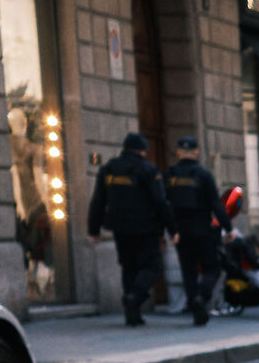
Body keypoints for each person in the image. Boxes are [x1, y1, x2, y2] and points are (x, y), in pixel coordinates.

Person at [86, 133, 172, 326]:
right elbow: (160, 201)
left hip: (120, 227)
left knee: (129, 267)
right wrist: (171, 229)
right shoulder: (148, 169)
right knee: (152, 266)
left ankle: (132, 315)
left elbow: (98, 201)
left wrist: (94, 229)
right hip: (145, 226)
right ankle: (135, 296)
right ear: (142, 150)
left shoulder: (108, 169)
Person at [162, 137, 225, 325]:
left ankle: (194, 305)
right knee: (212, 267)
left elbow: (162, 204)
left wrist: (170, 230)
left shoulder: (169, 175)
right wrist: (227, 227)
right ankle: (202, 296)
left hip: (180, 231)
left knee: (188, 270)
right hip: (202, 229)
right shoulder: (203, 174)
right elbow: (215, 203)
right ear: (197, 152)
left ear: (178, 152)